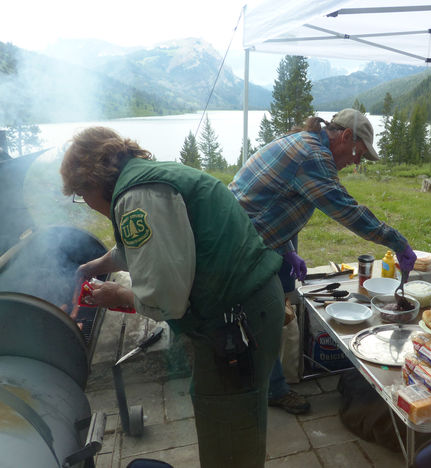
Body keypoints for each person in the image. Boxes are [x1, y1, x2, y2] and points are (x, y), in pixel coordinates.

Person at [60, 127, 285, 467]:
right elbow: (135, 246)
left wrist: (116, 294)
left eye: (80, 194)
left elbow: (167, 299)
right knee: (234, 411)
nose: (86, 203)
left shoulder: (138, 196)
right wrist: (92, 266)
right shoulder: (145, 180)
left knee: (229, 429)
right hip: (247, 308)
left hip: (238, 323)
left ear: (91, 180)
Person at [229, 108, 418, 414]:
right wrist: (397, 241)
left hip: (262, 239)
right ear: (345, 136)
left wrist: (288, 248)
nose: (356, 162)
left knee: (274, 311)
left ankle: (269, 384)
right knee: (263, 317)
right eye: (359, 153)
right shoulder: (313, 156)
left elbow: (277, 203)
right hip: (244, 247)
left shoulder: (305, 143)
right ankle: (269, 391)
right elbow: (345, 209)